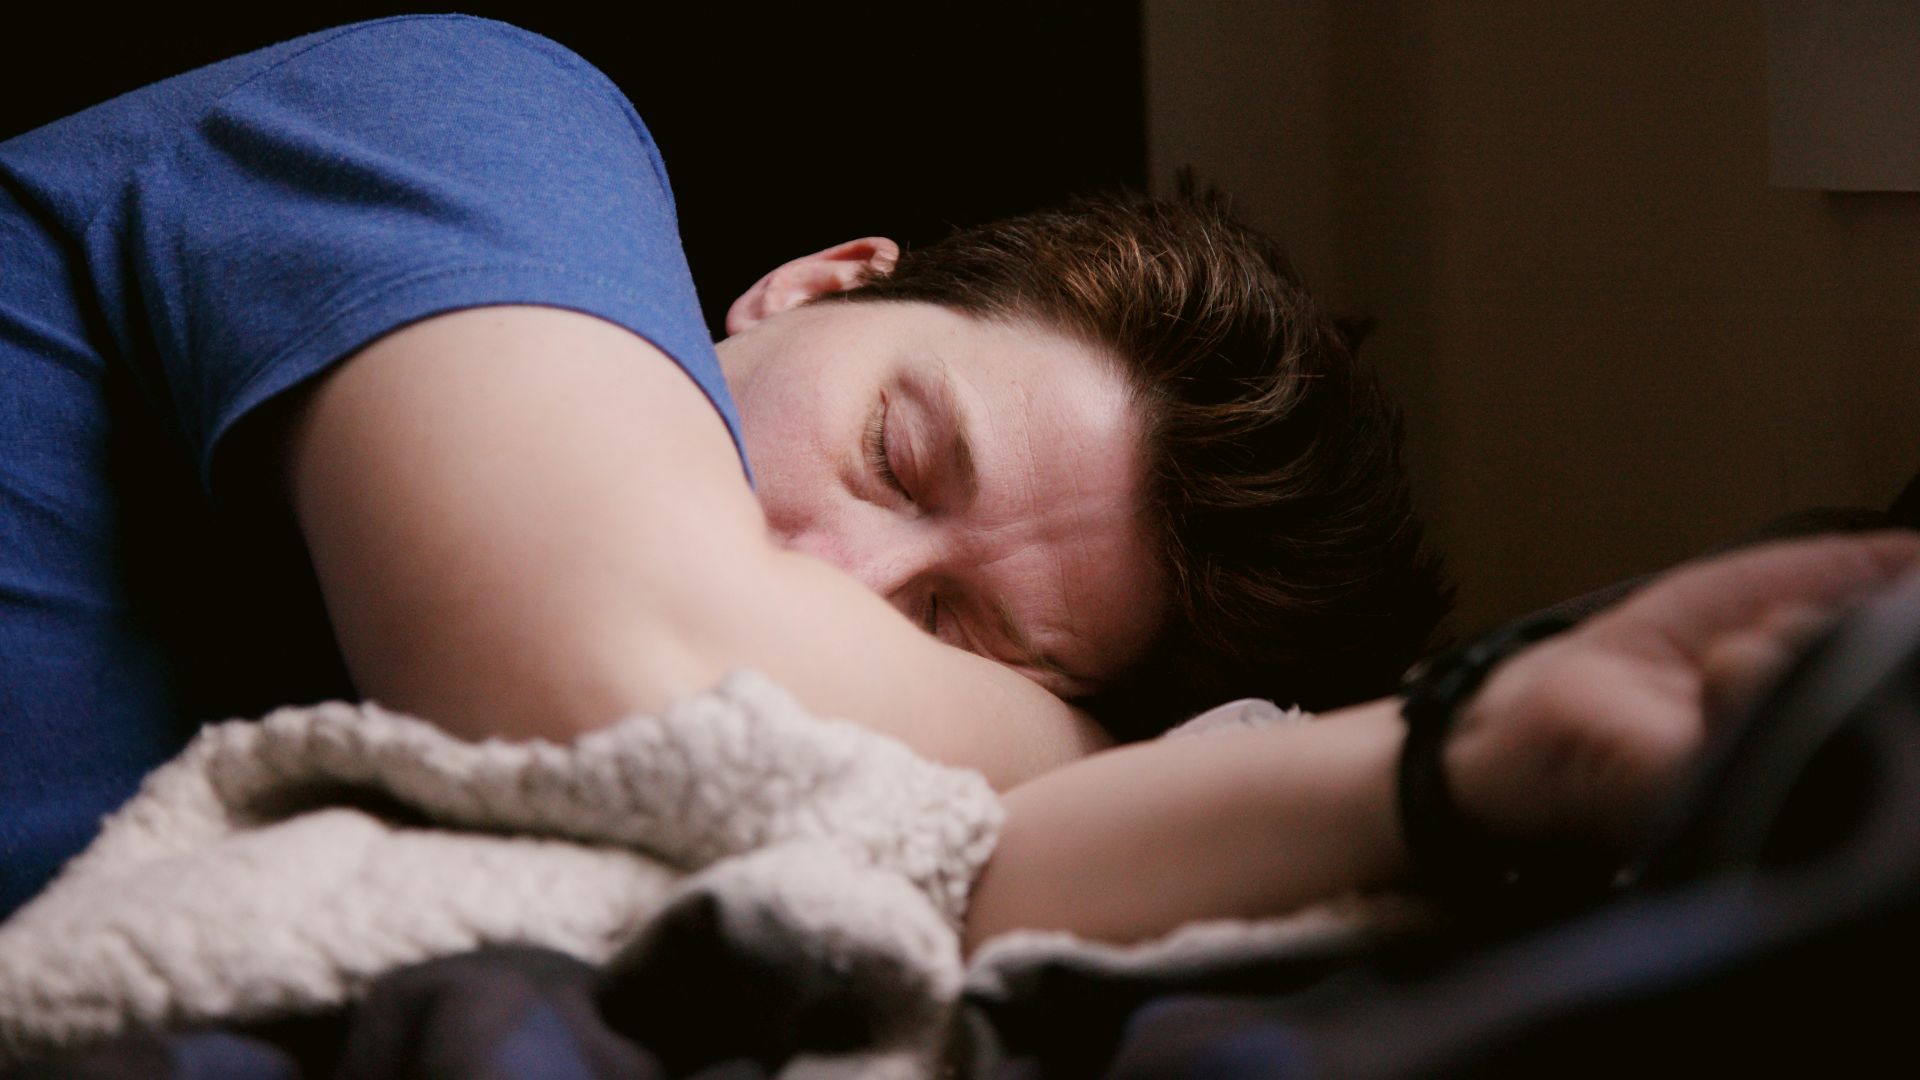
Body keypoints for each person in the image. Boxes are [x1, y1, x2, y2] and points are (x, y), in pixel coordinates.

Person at [2, 14, 1913, 950]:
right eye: (897, 450)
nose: (822, 575)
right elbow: (635, 684)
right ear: (820, 281)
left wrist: (1488, 752)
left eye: (957, 634)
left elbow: (915, 844)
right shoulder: (478, 113)